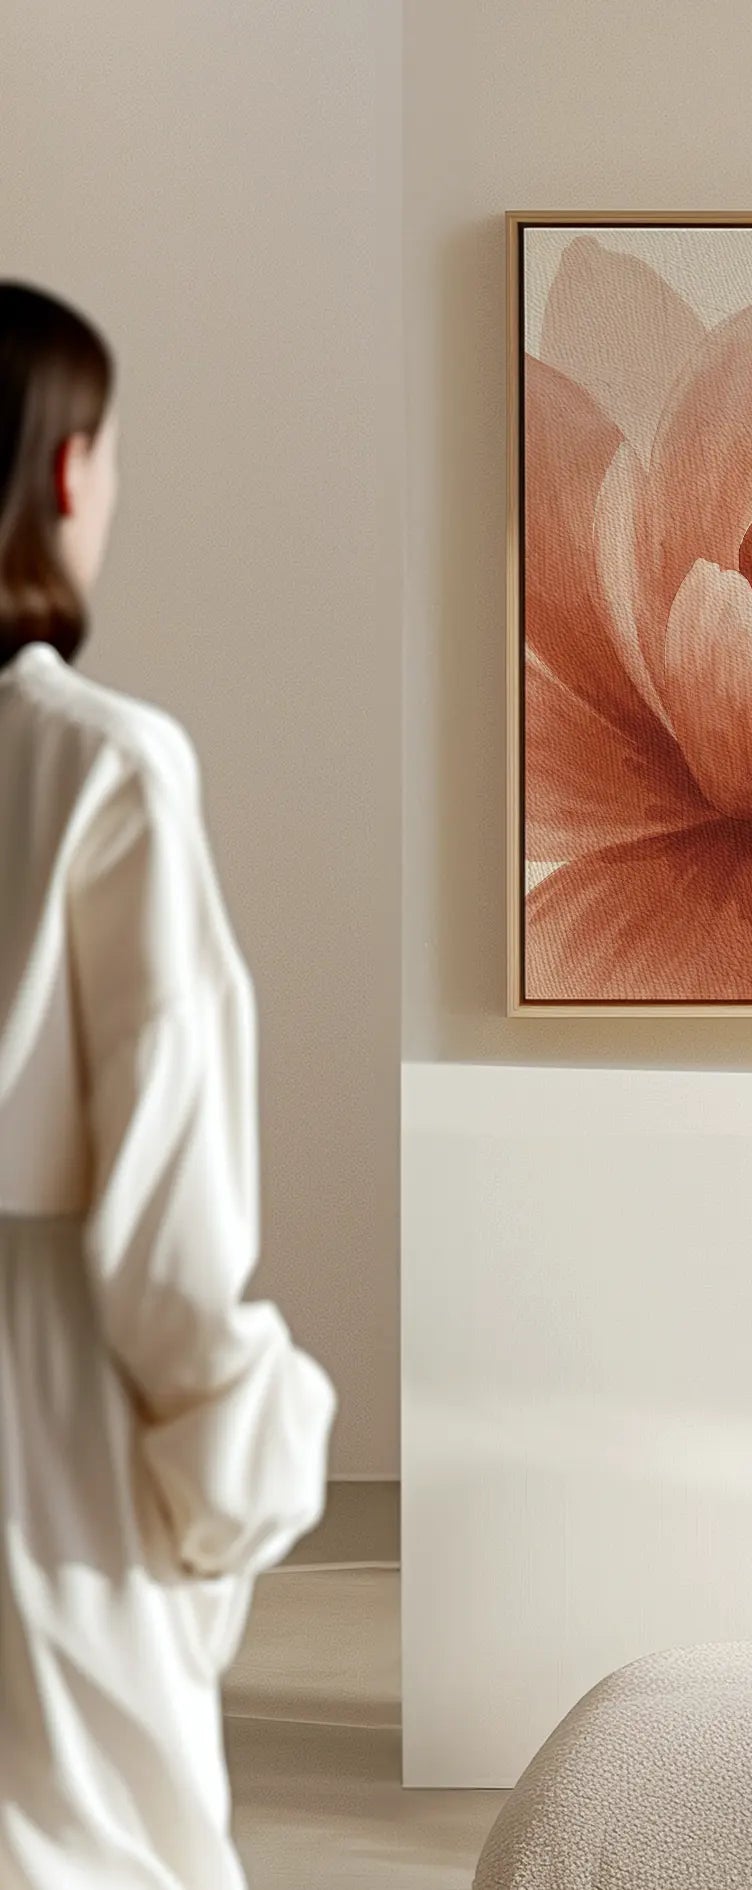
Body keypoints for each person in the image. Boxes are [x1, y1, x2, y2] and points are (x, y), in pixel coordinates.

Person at [0, 282, 334, 1888]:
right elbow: (164, 1224)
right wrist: (237, 1459)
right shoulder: (101, 766)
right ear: (67, 471)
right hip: (37, 1415)